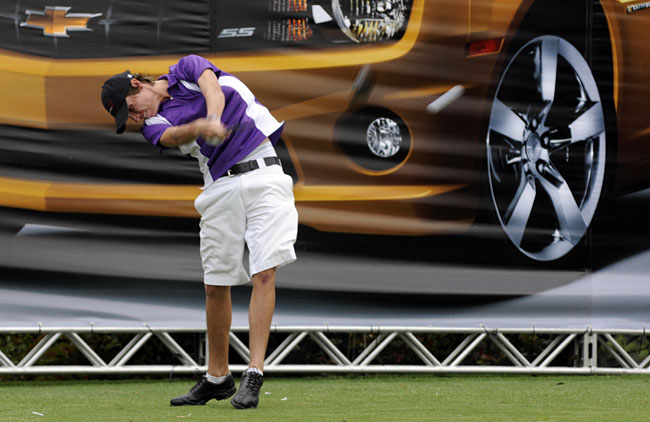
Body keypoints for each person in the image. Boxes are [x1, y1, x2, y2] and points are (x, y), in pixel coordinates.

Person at [100, 54, 298, 409]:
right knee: (215, 284)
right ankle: (217, 377)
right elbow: (173, 135)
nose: (135, 118)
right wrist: (200, 129)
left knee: (264, 272)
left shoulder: (186, 67)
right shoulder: (152, 125)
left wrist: (213, 118)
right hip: (219, 186)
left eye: (131, 108)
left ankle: (254, 372)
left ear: (137, 84)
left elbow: (211, 86)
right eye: (127, 118)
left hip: (265, 172)